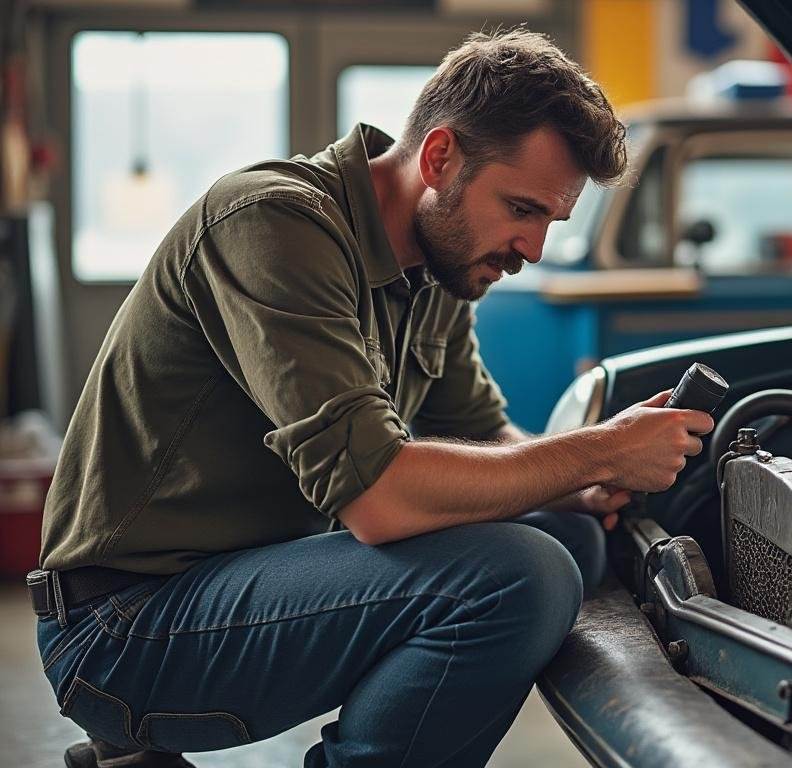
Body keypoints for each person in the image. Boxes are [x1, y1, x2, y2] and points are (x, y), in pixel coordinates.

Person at [31, 29, 713, 768]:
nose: (533, 249)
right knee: (523, 574)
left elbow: (488, 440)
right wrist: (598, 448)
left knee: (566, 535)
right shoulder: (273, 223)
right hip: (125, 627)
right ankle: (136, 736)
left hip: (248, 585)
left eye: (550, 220)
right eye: (522, 209)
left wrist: (586, 481)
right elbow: (380, 498)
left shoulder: (439, 270)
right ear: (440, 158)